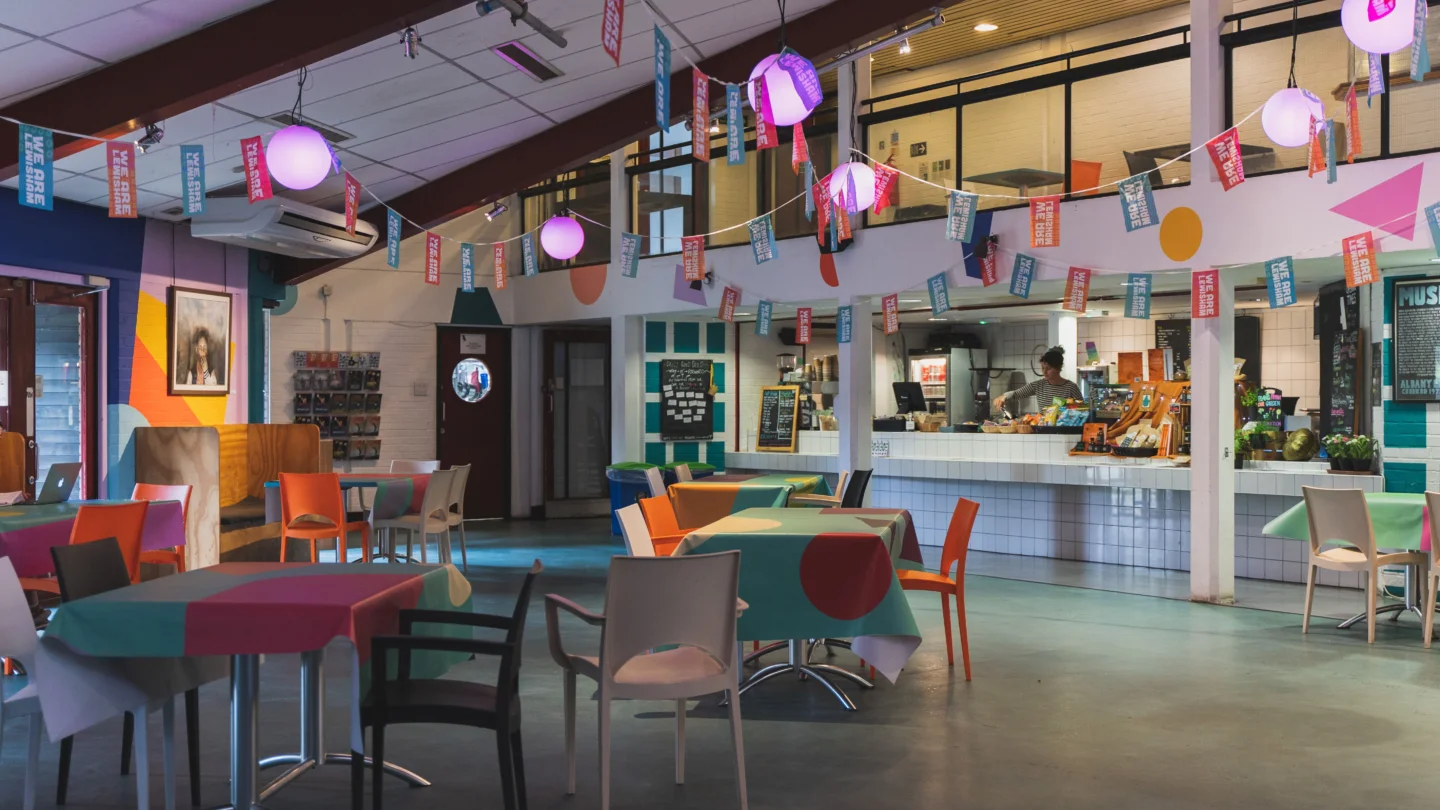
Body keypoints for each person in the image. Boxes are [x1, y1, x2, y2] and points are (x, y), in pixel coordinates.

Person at [993, 346, 1083, 413]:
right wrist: (1004, 397)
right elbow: (1016, 394)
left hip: (1065, 428)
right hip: (1044, 428)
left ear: (1058, 368)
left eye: (1048, 368)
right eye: (1043, 368)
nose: (1044, 372)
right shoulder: (1038, 385)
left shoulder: (1071, 387)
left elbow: (1082, 410)